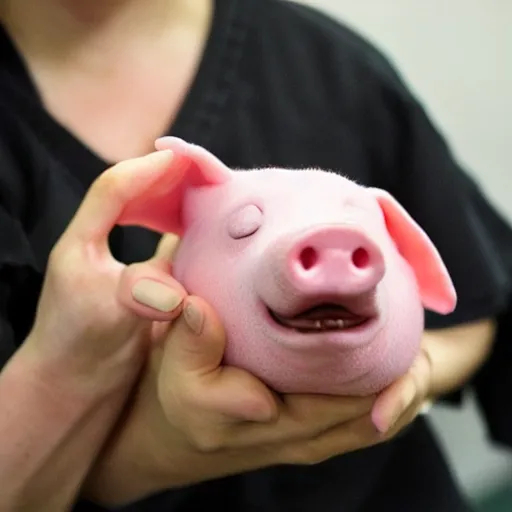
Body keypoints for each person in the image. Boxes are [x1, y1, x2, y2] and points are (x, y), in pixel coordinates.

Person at [0, 0, 510, 510]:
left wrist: (405, 373)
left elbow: (472, 303)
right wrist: (147, 444)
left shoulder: (332, 69)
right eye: (243, 228)